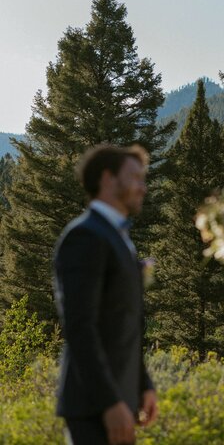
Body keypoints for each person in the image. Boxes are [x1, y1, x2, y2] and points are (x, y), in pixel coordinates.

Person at [53, 144, 157, 445]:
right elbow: (80, 327)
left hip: (122, 399)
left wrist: (143, 384)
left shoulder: (118, 237)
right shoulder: (85, 236)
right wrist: (108, 403)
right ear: (108, 179)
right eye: (135, 177)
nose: (143, 187)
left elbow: (126, 324)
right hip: (95, 405)